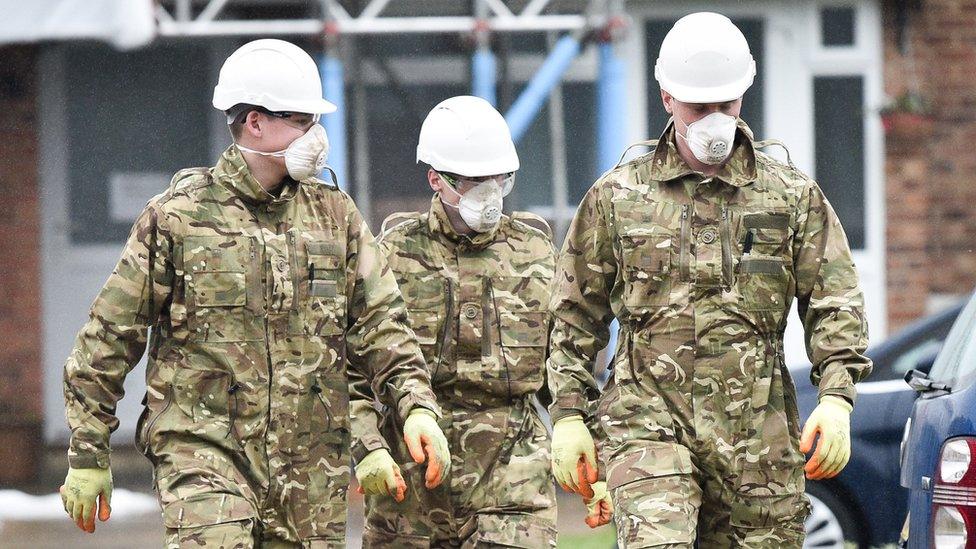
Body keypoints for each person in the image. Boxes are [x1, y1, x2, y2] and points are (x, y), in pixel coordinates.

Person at [59, 38, 450, 547]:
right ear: (255, 122)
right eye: (302, 120)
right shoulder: (178, 218)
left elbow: (383, 324)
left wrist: (416, 406)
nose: (317, 135)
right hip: (204, 454)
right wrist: (88, 453)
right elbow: (109, 337)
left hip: (310, 470)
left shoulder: (336, 217)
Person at [546, 12, 872, 548]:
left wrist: (837, 399)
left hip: (757, 435)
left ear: (746, 93)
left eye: (727, 104)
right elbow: (575, 311)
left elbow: (834, 300)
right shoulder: (618, 198)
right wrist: (567, 415)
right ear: (667, 97)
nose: (715, 119)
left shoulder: (789, 195)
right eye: (700, 106)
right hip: (647, 423)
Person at [348, 95, 569, 547]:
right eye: (473, 180)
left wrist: (584, 436)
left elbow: (564, 363)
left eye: (499, 179)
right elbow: (352, 368)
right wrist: (367, 447)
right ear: (437, 179)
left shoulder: (536, 254)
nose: (489, 192)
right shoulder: (390, 256)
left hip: (513, 485)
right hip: (410, 496)